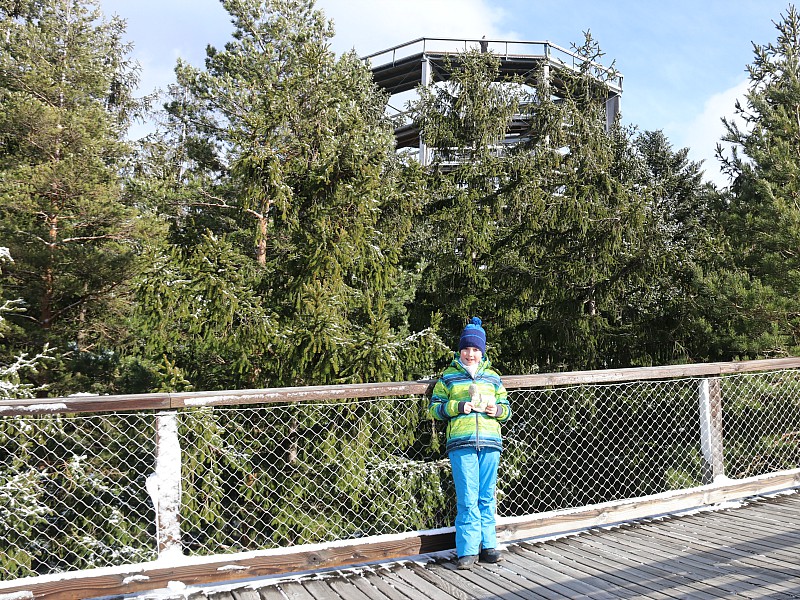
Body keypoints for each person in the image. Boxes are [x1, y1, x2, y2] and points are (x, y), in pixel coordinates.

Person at [428, 316, 512, 570]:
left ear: (482, 351)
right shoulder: (449, 377)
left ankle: (488, 546)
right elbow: (434, 409)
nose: (471, 354)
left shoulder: (493, 378)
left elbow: (507, 410)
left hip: (490, 442)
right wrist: (457, 407)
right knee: (467, 497)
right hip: (461, 443)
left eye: (476, 349)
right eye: (467, 349)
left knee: (486, 496)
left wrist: (495, 409)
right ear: (460, 350)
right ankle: (467, 549)